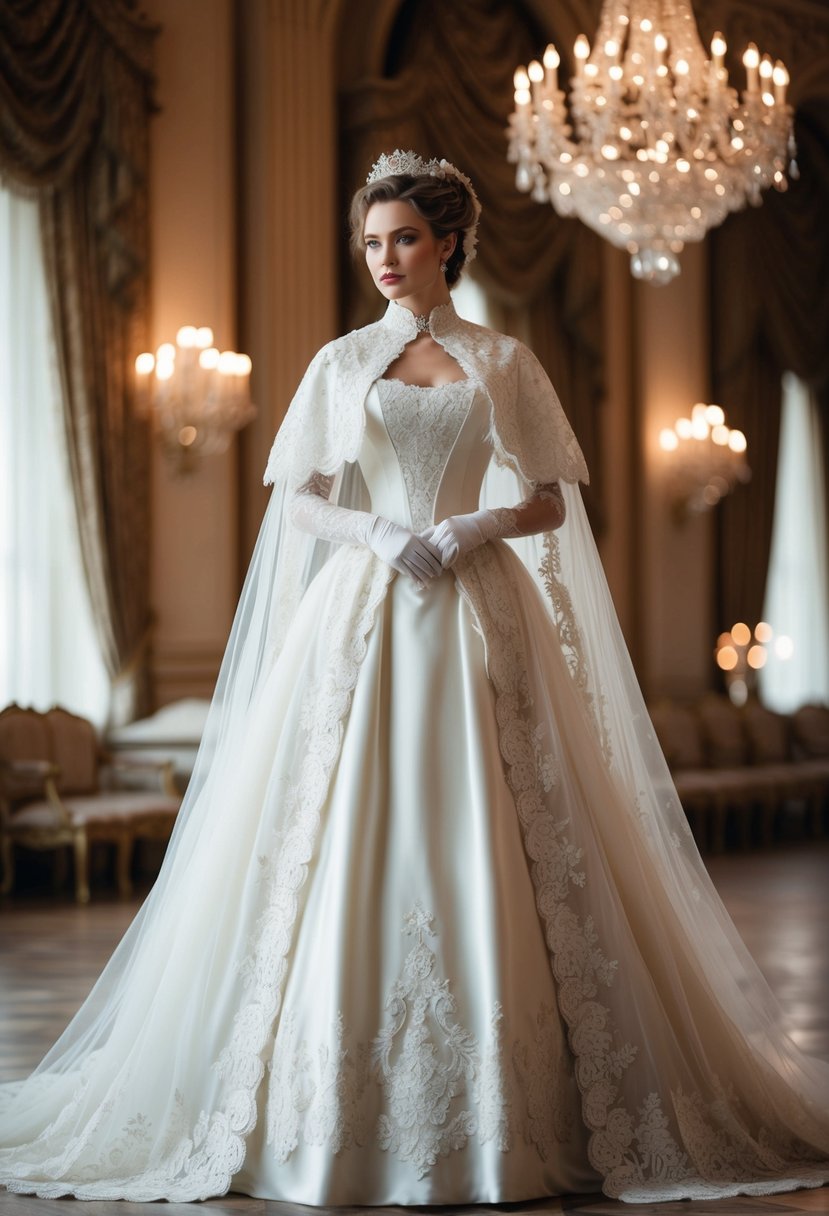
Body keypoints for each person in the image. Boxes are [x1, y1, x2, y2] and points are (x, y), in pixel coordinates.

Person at [1, 149, 828, 1208]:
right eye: (370, 242)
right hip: (365, 607)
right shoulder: (339, 364)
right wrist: (382, 530)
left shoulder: (505, 360)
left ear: (446, 243)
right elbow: (295, 499)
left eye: (401, 239)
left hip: (481, 609)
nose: (383, 259)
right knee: (340, 827)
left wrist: (472, 523)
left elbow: (549, 501)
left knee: (494, 819)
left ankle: (518, 1105)